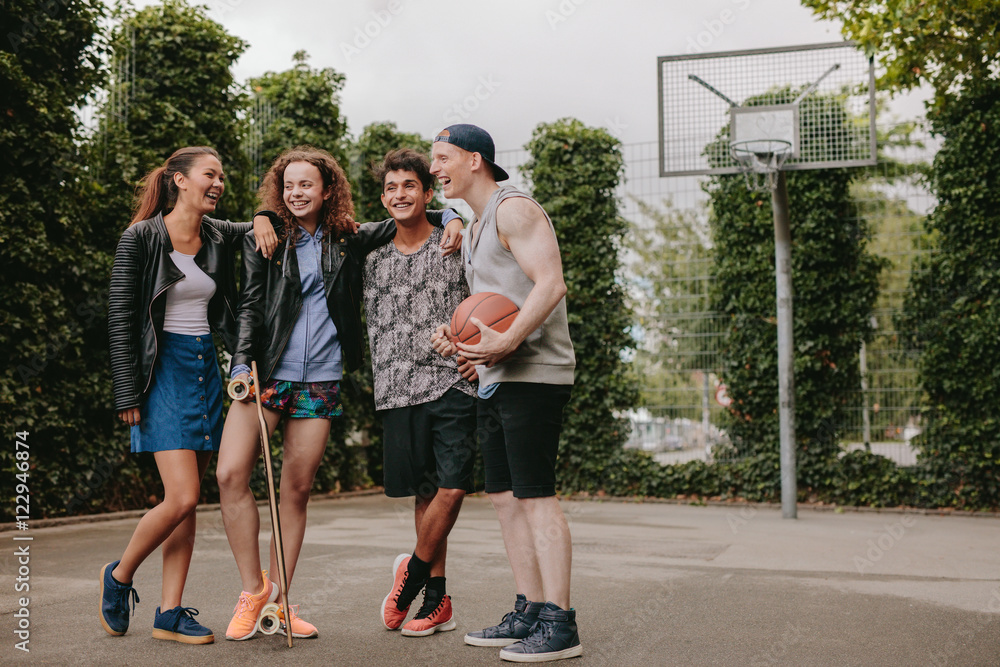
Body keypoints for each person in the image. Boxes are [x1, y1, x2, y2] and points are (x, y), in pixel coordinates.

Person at [216, 146, 463, 641]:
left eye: (306, 184)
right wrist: (241, 361)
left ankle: (282, 603)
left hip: (320, 380)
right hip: (265, 375)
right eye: (288, 186)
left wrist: (452, 214)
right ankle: (253, 591)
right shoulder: (265, 237)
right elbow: (248, 304)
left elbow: (408, 213)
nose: (296, 193)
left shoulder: (348, 238)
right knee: (229, 474)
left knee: (296, 490)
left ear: (327, 190)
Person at [104, 146, 278, 644]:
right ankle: (118, 577)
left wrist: (264, 213)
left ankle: (169, 612)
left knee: (185, 501)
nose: (219, 182)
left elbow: (270, 226)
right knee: (182, 497)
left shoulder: (219, 234)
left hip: (206, 367)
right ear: (179, 180)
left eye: (222, 176)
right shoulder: (141, 237)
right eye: (210, 174)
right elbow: (121, 319)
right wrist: (125, 391)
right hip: (160, 372)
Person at [429, 124, 581, 662]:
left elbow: (551, 283)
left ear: (475, 159)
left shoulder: (515, 209)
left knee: (536, 495)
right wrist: (464, 344)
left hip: (535, 373)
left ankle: (561, 623)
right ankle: (531, 609)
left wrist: (506, 341)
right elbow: (488, 314)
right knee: (503, 497)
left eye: (442, 158)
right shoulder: (473, 228)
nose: (434, 169)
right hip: (497, 377)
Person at [364, 149, 478, 637]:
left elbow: (484, 304)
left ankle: (408, 580)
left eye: (409, 185)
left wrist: (474, 350)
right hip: (397, 388)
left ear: (427, 193)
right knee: (426, 494)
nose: (399, 195)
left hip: (454, 382)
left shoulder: (456, 244)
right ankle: (438, 602)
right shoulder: (371, 260)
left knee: (453, 487)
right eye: (391, 188)